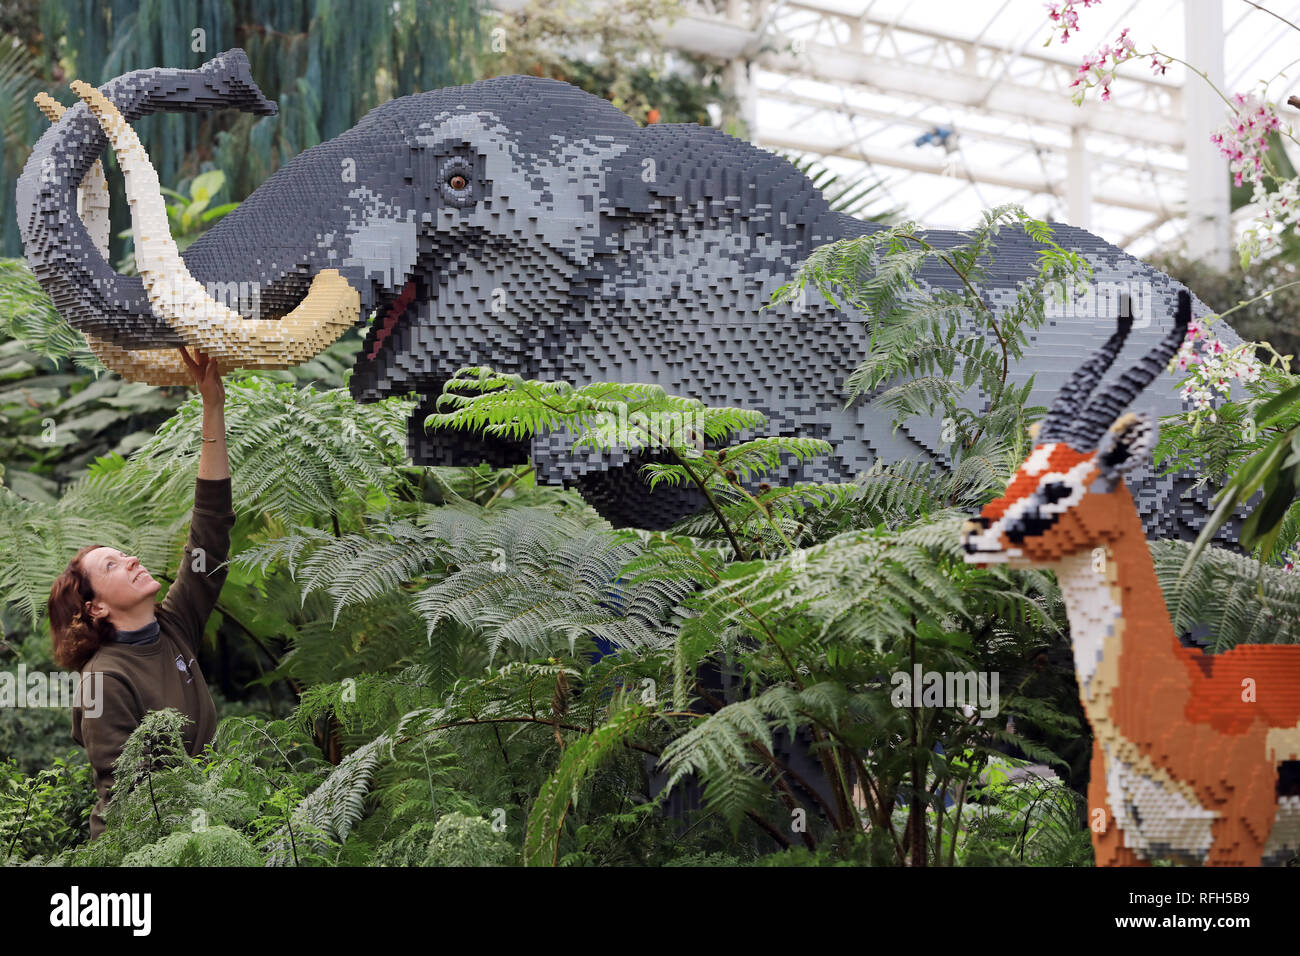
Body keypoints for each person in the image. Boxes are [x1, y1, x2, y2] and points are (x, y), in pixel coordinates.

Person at [47, 346, 234, 840]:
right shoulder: (103, 682)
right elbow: (131, 797)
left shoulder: (173, 626)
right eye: (112, 564)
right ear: (95, 607)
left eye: (125, 553)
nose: (131, 559)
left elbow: (210, 534)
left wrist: (211, 406)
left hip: (205, 836)